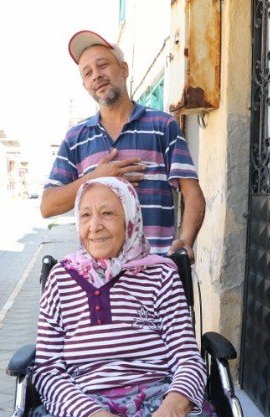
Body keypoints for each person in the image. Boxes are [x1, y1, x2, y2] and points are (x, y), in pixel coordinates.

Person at [27, 177, 227, 417]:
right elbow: (47, 369)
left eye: (107, 213)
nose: (94, 226)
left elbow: (188, 359)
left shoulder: (161, 275)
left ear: (129, 218)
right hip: (83, 404)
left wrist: (172, 408)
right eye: (85, 215)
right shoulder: (61, 279)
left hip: (161, 396)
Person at [41, 30, 205, 261]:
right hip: (96, 281)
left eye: (103, 65)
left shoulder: (163, 126)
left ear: (124, 69)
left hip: (154, 274)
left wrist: (186, 241)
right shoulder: (75, 138)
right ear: (85, 84)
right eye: (88, 73)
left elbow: (192, 193)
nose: (96, 75)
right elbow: (47, 206)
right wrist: (95, 178)